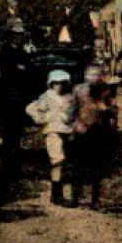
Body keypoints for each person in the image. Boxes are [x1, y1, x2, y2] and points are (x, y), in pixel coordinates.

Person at [70, 66, 121, 210]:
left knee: (96, 168)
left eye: (96, 75)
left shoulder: (105, 91)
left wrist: (107, 112)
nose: (93, 78)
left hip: (99, 132)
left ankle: (95, 200)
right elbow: (72, 110)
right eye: (90, 75)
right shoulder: (78, 90)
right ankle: (75, 198)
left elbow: (113, 112)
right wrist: (76, 125)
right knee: (78, 167)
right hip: (81, 130)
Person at [25, 69, 77, 206]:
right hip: (53, 131)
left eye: (62, 83)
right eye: (56, 83)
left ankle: (67, 193)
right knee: (57, 160)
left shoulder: (70, 97)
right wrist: (42, 118)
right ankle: (56, 194)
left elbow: (74, 113)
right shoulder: (48, 96)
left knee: (67, 162)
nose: (59, 86)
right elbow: (32, 108)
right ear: (51, 84)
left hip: (67, 131)